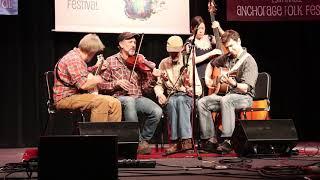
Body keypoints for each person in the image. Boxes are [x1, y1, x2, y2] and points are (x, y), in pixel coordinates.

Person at [98, 32, 163, 155]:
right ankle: (136, 142)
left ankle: (143, 140)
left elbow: (145, 89)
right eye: (130, 42)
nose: (133, 45)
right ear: (121, 44)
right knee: (129, 101)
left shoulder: (139, 61)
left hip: (137, 97)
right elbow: (100, 85)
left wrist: (153, 78)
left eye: (134, 42)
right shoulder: (110, 61)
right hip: (118, 99)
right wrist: (116, 84)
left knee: (157, 111)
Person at [197, 29, 258, 154]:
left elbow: (247, 87)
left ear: (239, 41)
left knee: (227, 100)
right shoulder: (227, 57)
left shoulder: (249, 61)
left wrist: (233, 83)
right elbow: (211, 64)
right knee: (202, 102)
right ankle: (211, 139)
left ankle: (228, 140)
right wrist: (208, 78)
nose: (230, 50)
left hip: (245, 97)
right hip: (228, 96)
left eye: (232, 46)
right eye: (227, 47)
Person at [53, 33, 122, 123]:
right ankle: (98, 135)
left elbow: (81, 73)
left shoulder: (78, 58)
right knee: (100, 102)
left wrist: (95, 67)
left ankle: (113, 135)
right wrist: (98, 79)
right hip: (65, 98)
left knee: (115, 103)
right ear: (91, 52)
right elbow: (83, 85)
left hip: (76, 96)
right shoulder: (74, 59)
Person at [154, 36, 202, 155]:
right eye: (171, 52)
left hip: (188, 97)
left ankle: (186, 140)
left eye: (176, 52)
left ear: (181, 49)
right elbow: (158, 85)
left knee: (180, 100)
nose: (173, 54)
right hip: (173, 97)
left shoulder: (188, 62)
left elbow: (198, 89)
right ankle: (175, 142)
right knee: (171, 102)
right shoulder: (164, 63)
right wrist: (159, 94)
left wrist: (188, 88)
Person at [186, 15, 224, 96]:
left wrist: (219, 28)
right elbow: (192, 60)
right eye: (198, 28)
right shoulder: (189, 42)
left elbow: (226, 40)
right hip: (199, 75)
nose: (201, 31)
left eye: (202, 28)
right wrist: (210, 53)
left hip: (212, 74)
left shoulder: (209, 38)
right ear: (192, 29)